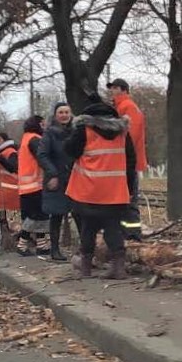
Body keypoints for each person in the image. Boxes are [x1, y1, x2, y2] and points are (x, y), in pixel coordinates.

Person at [64, 93, 136, 279]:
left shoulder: (85, 130)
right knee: (113, 227)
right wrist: (127, 185)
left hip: (89, 190)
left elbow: (69, 150)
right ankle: (118, 267)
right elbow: (131, 160)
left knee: (88, 227)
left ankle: (86, 267)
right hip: (114, 191)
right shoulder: (122, 133)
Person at [107, 78, 146, 241]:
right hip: (123, 162)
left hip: (127, 162)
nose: (112, 91)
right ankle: (125, 232)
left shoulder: (127, 107)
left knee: (129, 197)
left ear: (123, 90)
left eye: (115, 88)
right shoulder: (121, 107)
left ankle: (132, 233)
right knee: (123, 198)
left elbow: (131, 135)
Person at [36, 101, 76, 262]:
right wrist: (52, 174)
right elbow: (42, 155)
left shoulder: (76, 132)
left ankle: (85, 251)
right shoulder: (49, 134)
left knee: (79, 214)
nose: (64, 115)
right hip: (57, 179)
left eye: (67, 112)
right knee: (57, 215)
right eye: (61, 112)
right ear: (55, 115)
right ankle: (55, 250)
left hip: (74, 178)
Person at [16, 115, 49, 256]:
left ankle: (42, 245)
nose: (45, 126)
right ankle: (22, 244)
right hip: (35, 184)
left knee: (38, 216)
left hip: (26, 185)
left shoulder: (26, 138)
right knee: (37, 216)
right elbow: (43, 158)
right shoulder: (35, 140)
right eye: (43, 124)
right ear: (38, 125)